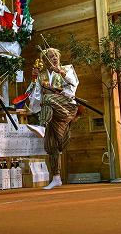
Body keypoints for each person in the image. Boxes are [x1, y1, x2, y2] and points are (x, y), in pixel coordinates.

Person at [27, 48, 79, 190]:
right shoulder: (41, 75)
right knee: (52, 145)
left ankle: (42, 126)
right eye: (50, 56)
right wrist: (33, 79)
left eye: (56, 55)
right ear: (44, 61)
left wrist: (62, 74)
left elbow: (73, 86)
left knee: (48, 98)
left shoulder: (66, 69)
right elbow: (34, 98)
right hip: (50, 112)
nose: (54, 58)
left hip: (65, 107)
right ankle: (56, 178)